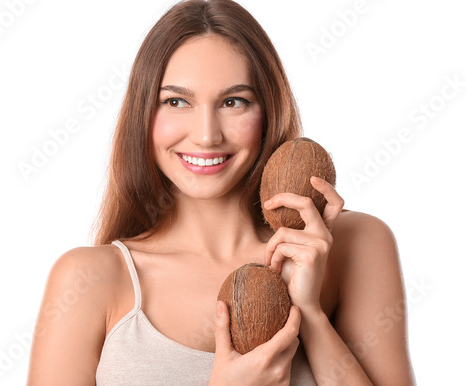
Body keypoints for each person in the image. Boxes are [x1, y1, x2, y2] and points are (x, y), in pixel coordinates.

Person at [26, 0, 415, 384]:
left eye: (234, 101)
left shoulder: (354, 245)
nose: (207, 135)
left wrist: (308, 314)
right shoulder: (88, 280)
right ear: (144, 113)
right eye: (176, 101)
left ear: (267, 113)